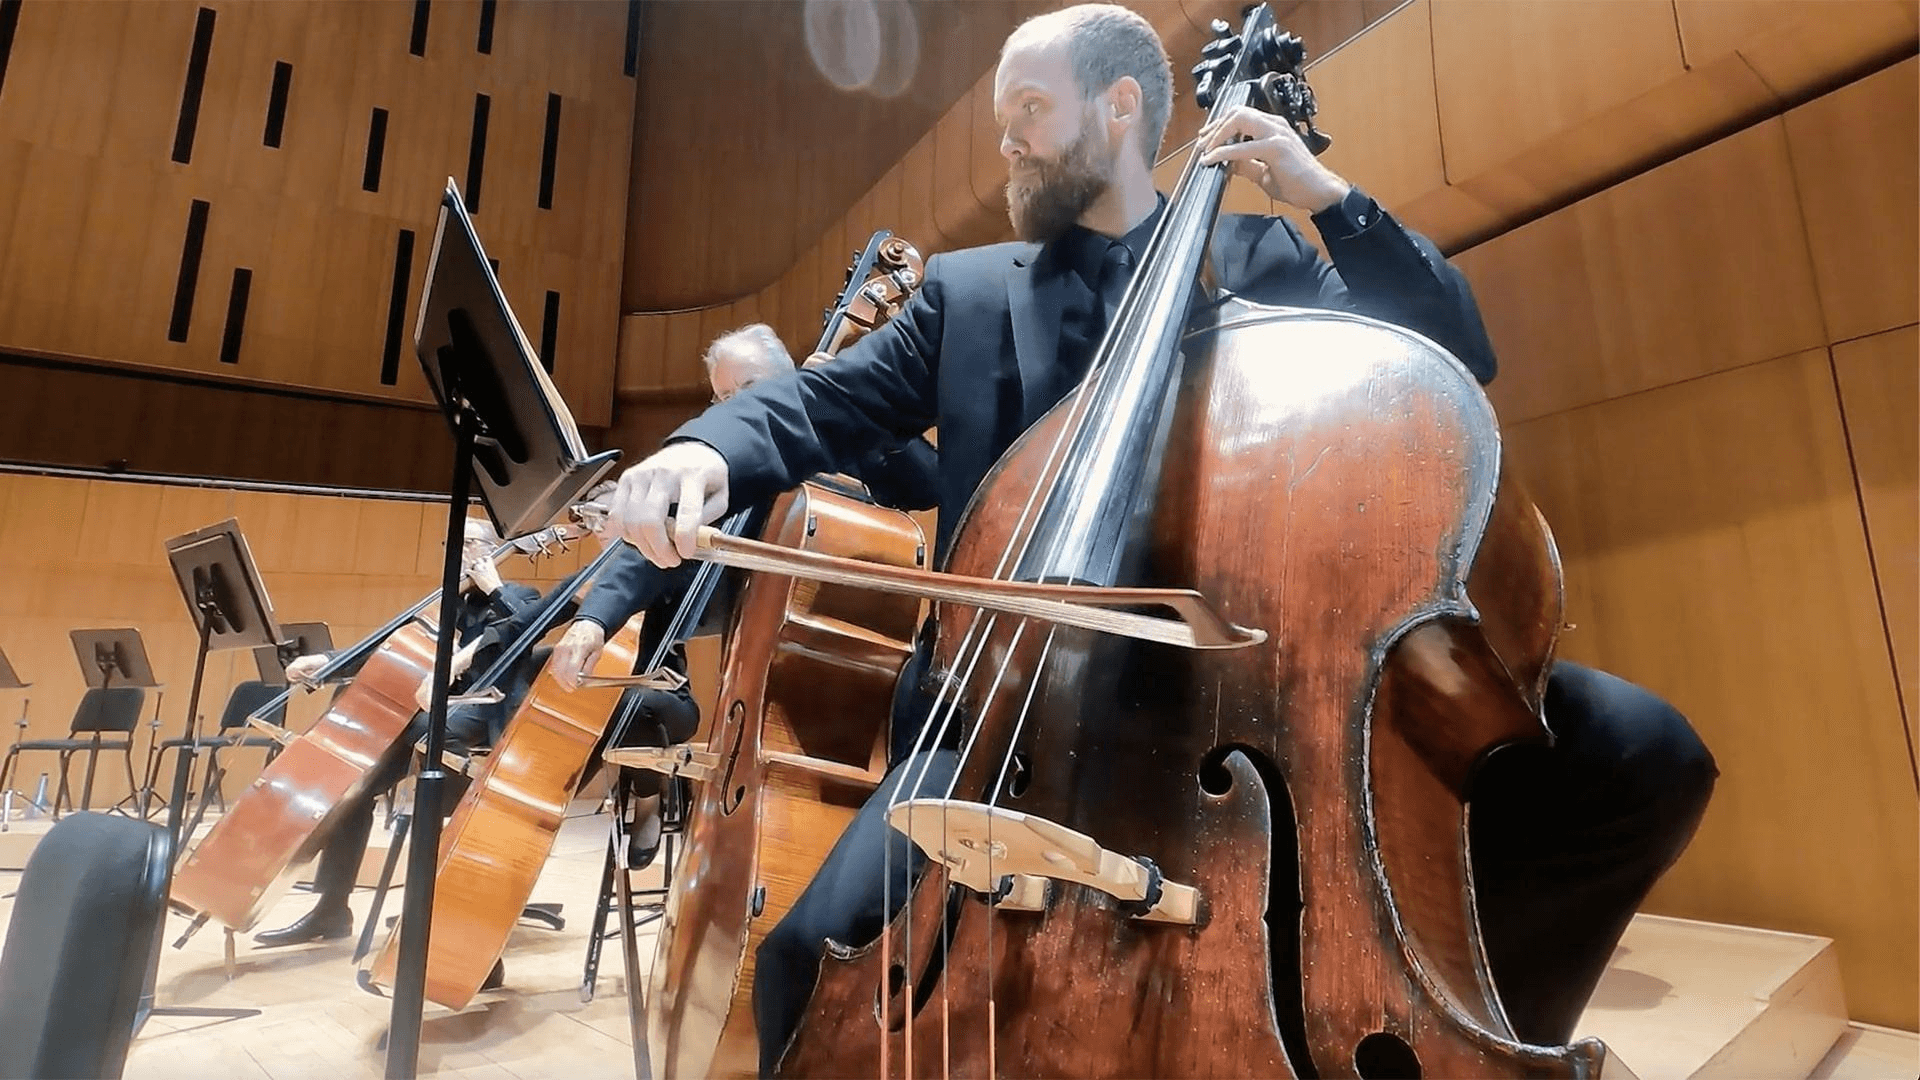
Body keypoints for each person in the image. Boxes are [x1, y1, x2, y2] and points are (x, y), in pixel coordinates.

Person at [604, 3, 1719, 1069]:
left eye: (1027, 110)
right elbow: (817, 406)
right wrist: (703, 452)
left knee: (1638, 752)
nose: (1006, 139)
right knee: (808, 960)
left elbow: (1453, 347)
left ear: (1120, 106)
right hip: (1010, 722)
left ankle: (1469, 1036)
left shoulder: (1268, 264)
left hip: (1261, 697)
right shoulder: (970, 293)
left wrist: (1328, 197)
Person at [549, 323, 942, 868]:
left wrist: (847, 407)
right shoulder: (730, 466)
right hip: (752, 693)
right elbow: (655, 542)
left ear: (787, 379)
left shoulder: (841, 427)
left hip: (861, 682)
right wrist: (595, 619)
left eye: (747, 390)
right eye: (721, 398)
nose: (732, 409)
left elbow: (927, 484)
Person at [255, 517, 572, 950]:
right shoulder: (446, 605)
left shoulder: (520, 594)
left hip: (486, 712)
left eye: (469, 544)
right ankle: (330, 907)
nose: (458, 554)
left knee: (403, 737)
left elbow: (531, 628)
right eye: (452, 546)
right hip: (435, 718)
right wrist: (328, 662)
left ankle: (452, 850)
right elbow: (393, 652)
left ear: (491, 548)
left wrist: (495, 588)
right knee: (358, 786)